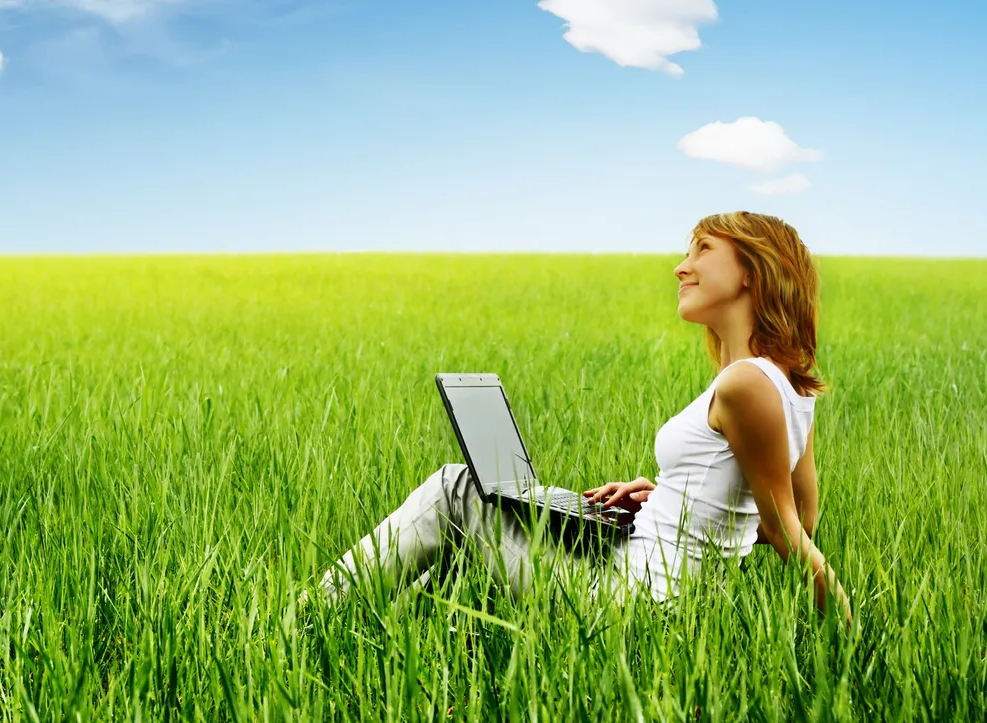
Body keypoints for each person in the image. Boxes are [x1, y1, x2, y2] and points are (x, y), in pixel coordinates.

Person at [314, 212, 852, 624]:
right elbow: (797, 515)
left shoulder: (745, 384)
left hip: (630, 603)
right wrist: (672, 502)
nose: (681, 265)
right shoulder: (788, 384)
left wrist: (848, 641)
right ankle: (374, 631)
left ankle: (307, 619)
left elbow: (788, 534)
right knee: (480, 523)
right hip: (657, 590)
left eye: (703, 250)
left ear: (752, 273)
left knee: (457, 488)